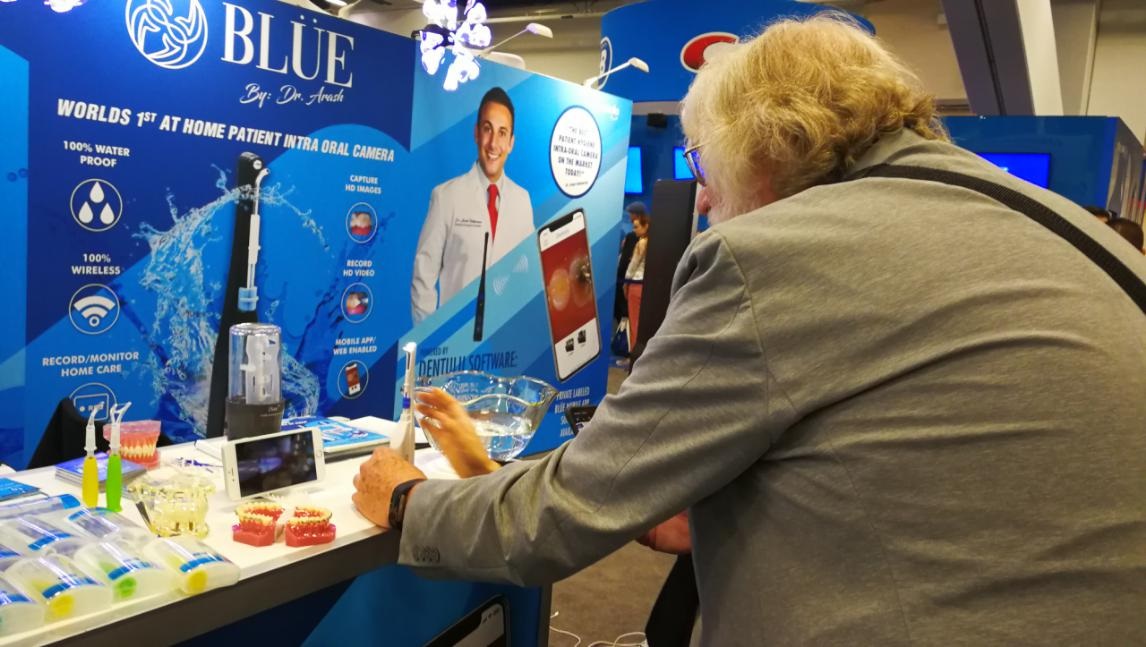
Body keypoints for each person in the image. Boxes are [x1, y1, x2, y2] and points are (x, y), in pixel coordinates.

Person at [355, 14, 1146, 644]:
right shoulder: (1069, 231)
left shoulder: (779, 253)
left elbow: (555, 518)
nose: (700, 200)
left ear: (765, 149)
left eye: (703, 167)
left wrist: (407, 501)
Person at [411, 87, 534, 323]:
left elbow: (525, 272)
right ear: (476, 133)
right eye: (488, 129)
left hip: (505, 338)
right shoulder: (446, 197)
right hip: (457, 338)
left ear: (511, 143)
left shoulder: (522, 201)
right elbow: (422, 277)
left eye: (502, 133)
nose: (493, 143)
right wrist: (433, 337)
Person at [624, 206, 650, 351]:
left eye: (636, 227)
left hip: (635, 285)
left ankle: (633, 356)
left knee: (634, 323)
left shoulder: (641, 243)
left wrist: (625, 283)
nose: (634, 230)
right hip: (645, 285)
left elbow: (632, 266)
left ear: (646, 226)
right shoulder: (653, 242)